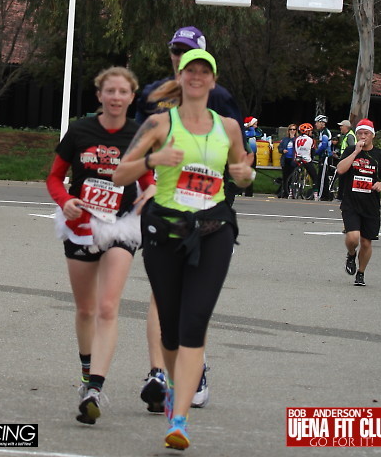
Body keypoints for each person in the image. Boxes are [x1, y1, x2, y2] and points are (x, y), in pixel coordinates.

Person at [113, 49, 254, 450]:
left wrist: (244, 174)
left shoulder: (228, 127)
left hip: (213, 230)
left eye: (204, 71)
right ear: (180, 76)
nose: (196, 76)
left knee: (194, 323)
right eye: (190, 69)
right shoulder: (159, 123)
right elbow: (120, 173)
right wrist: (154, 159)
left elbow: (243, 175)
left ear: (213, 80)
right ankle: (175, 386)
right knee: (171, 329)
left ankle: (179, 419)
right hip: (165, 229)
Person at [134, 25, 245, 413]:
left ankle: (195, 370)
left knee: (195, 300)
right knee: (162, 295)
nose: (182, 59)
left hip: (210, 213)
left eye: (189, 53)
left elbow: (233, 152)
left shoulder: (221, 99)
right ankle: (159, 373)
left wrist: (232, 185)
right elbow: (138, 148)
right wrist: (147, 184)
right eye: (176, 52)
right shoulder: (153, 95)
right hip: (164, 206)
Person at [45, 66, 154, 425]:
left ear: (131, 97)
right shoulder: (79, 131)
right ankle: (85, 371)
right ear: (99, 95)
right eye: (110, 91)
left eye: (123, 92)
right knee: (86, 309)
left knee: (108, 306)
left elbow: (148, 178)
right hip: (81, 224)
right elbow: (54, 177)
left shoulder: (138, 134)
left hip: (121, 225)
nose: (116, 97)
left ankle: (95, 388)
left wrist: (151, 192)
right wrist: (65, 201)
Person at [336, 118, 381, 287]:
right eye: (360, 133)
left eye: (366, 133)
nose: (363, 136)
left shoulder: (380, 156)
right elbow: (340, 169)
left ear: (372, 135)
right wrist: (355, 153)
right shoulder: (351, 150)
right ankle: (351, 254)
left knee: (366, 242)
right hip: (351, 202)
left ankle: (361, 273)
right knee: (353, 237)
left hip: (370, 205)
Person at [292, 123, 318, 198]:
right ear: (307, 131)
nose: (311, 132)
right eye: (310, 131)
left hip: (297, 158)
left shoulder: (297, 139)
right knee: (315, 176)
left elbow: (294, 149)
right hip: (306, 160)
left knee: (294, 173)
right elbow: (312, 151)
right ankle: (315, 193)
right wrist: (313, 158)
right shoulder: (311, 140)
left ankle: (291, 190)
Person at [314, 115, 332, 199]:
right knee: (322, 176)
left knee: (322, 177)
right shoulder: (322, 132)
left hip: (326, 156)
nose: (316, 124)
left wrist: (316, 152)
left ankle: (323, 195)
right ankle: (324, 195)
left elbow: (324, 145)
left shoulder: (325, 132)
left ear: (322, 123)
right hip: (323, 156)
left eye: (317, 122)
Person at [277, 124, 297, 198]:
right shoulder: (285, 139)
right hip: (286, 159)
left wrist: (293, 138)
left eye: (294, 129)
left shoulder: (297, 139)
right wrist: (282, 150)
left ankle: (292, 192)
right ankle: (284, 192)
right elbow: (280, 147)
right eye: (290, 129)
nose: (292, 131)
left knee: (292, 177)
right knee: (285, 176)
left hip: (293, 159)